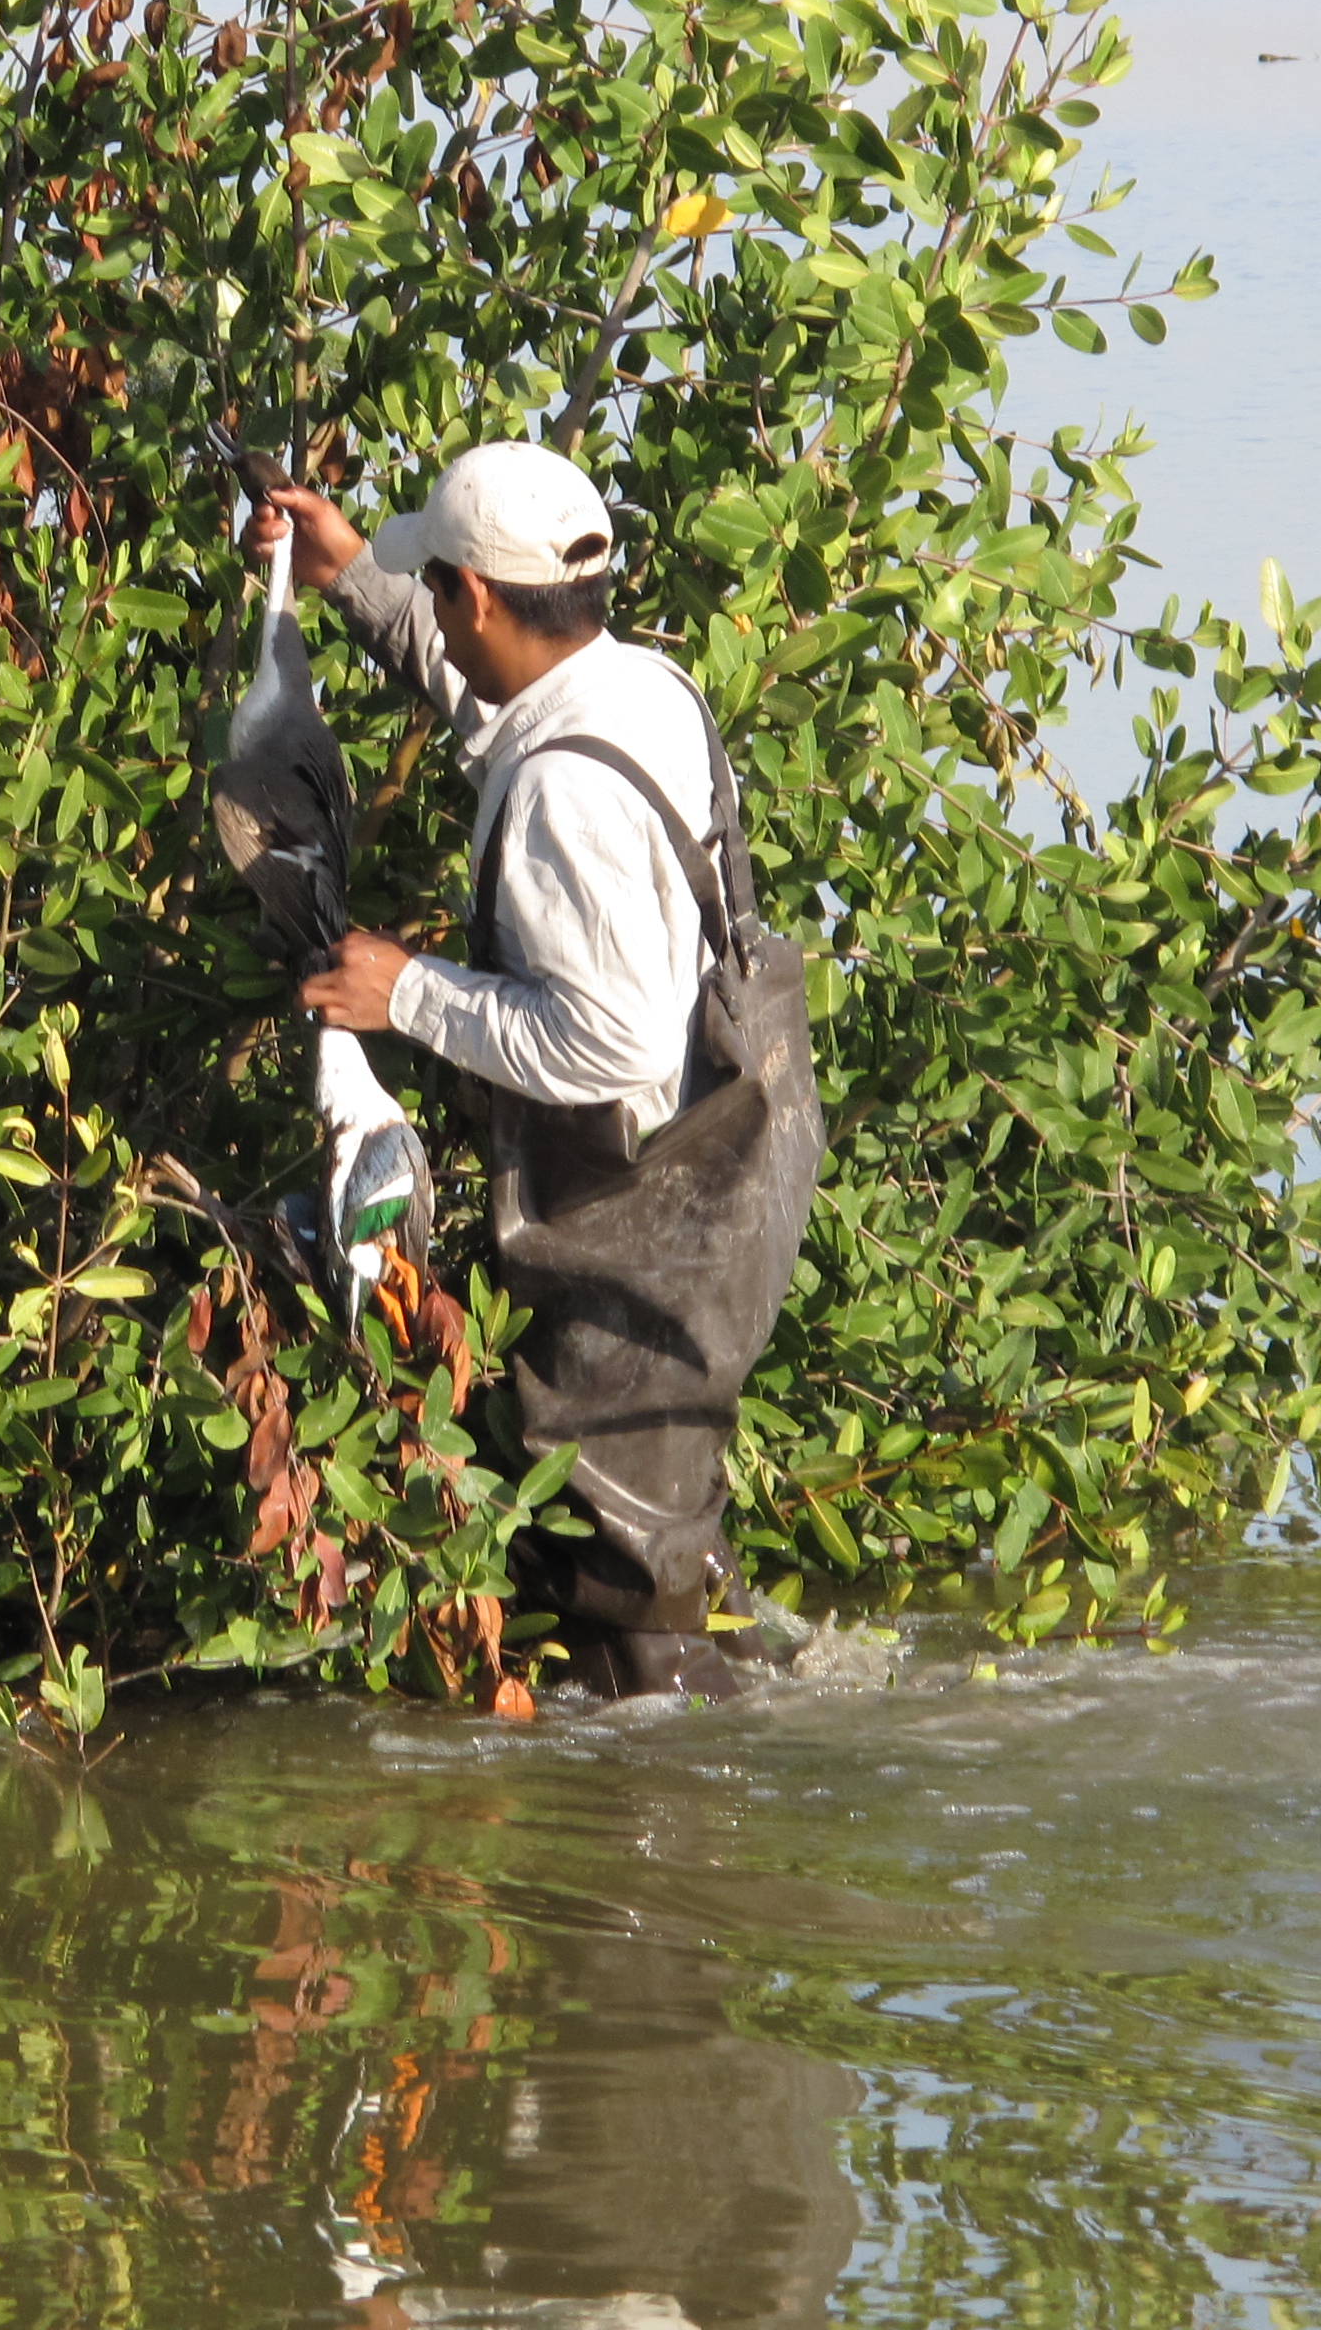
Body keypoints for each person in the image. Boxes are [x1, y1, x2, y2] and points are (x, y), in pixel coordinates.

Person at [247, 439, 797, 1700]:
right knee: (658, 1536)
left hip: (646, 1214)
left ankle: (656, 1814)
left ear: (482, 598)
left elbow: (604, 1042)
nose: (434, 602)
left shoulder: (563, 797)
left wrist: (409, 994)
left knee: (629, 1603)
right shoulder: (636, 686)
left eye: (436, 584)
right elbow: (491, 699)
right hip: (731, 1153)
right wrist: (350, 582)